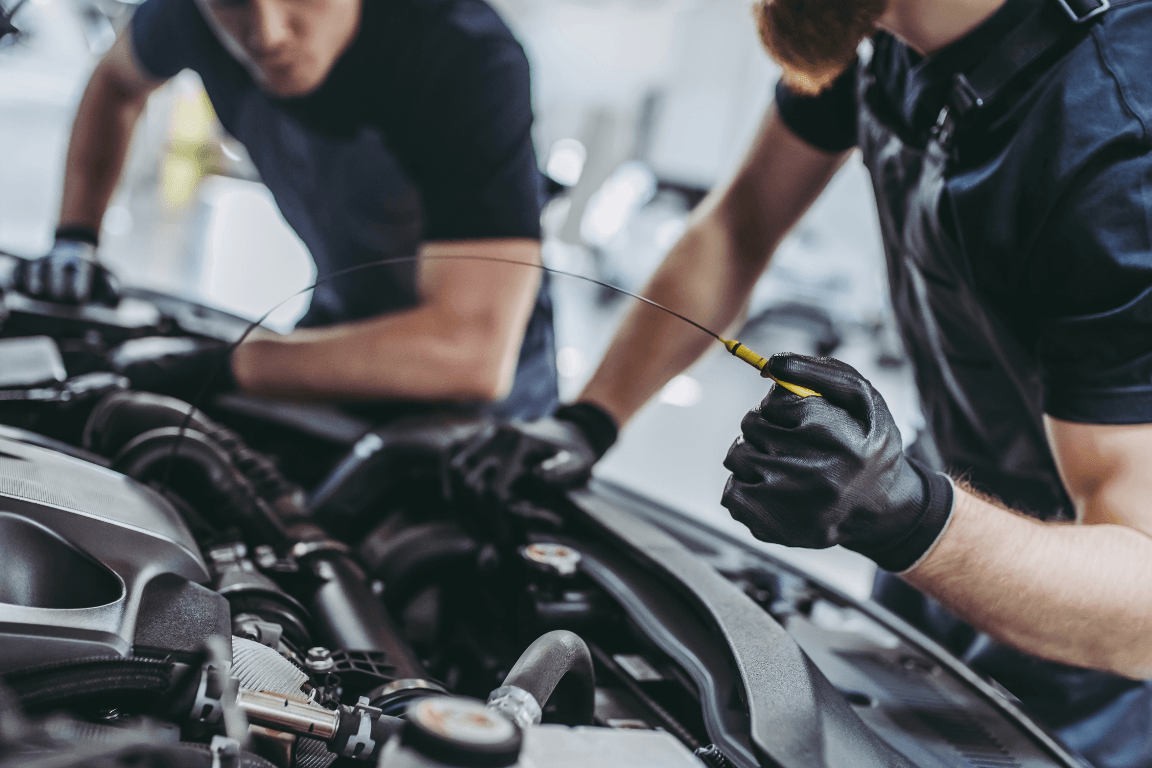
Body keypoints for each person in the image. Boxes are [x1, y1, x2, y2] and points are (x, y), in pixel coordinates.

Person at [451, 0, 1152, 762]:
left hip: (1085, 655)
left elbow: (1141, 607)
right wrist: (589, 418)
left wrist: (911, 513)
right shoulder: (872, 27)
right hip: (946, 523)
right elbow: (740, 221)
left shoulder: (1115, 151)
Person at [20, 0, 558, 419]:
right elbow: (115, 81)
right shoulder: (195, 15)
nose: (268, 33)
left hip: (484, 400)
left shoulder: (464, 59)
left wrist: (228, 364)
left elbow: (471, 352)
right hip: (334, 329)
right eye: (233, 2)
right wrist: (76, 236)